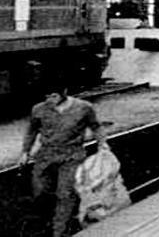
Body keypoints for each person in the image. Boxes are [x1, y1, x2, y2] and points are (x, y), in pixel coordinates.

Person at [21, 82, 106, 237]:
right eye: (47, 97)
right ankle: (50, 222)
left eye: (54, 96)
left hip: (72, 155)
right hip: (46, 155)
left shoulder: (84, 107)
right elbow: (31, 131)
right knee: (40, 191)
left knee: (65, 194)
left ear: (64, 93)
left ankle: (60, 232)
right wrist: (25, 151)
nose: (50, 100)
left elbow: (96, 126)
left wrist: (102, 144)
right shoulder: (38, 109)